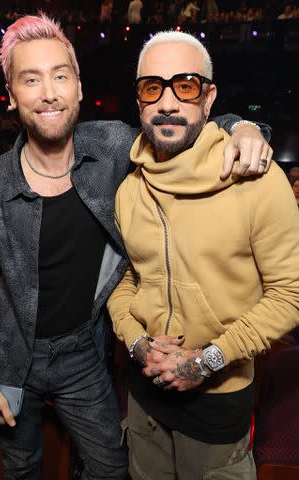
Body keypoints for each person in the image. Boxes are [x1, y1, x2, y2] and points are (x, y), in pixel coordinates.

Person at [0, 14, 272, 480]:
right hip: (11, 353)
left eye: (60, 76)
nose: (48, 92)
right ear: (11, 94)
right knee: (21, 465)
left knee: (109, 467)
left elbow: (184, 122)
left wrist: (245, 127)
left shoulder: (115, 146)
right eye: (31, 79)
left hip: (83, 351)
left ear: (78, 86)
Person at [107, 31, 299, 480]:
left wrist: (206, 361)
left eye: (186, 86)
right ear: (139, 101)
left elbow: (290, 293)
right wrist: (137, 344)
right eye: (152, 87)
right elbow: (128, 281)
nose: (168, 102)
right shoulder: (129, 189)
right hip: (144, 393)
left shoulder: (256, 179)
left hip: (218, 400)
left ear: (208, 98)